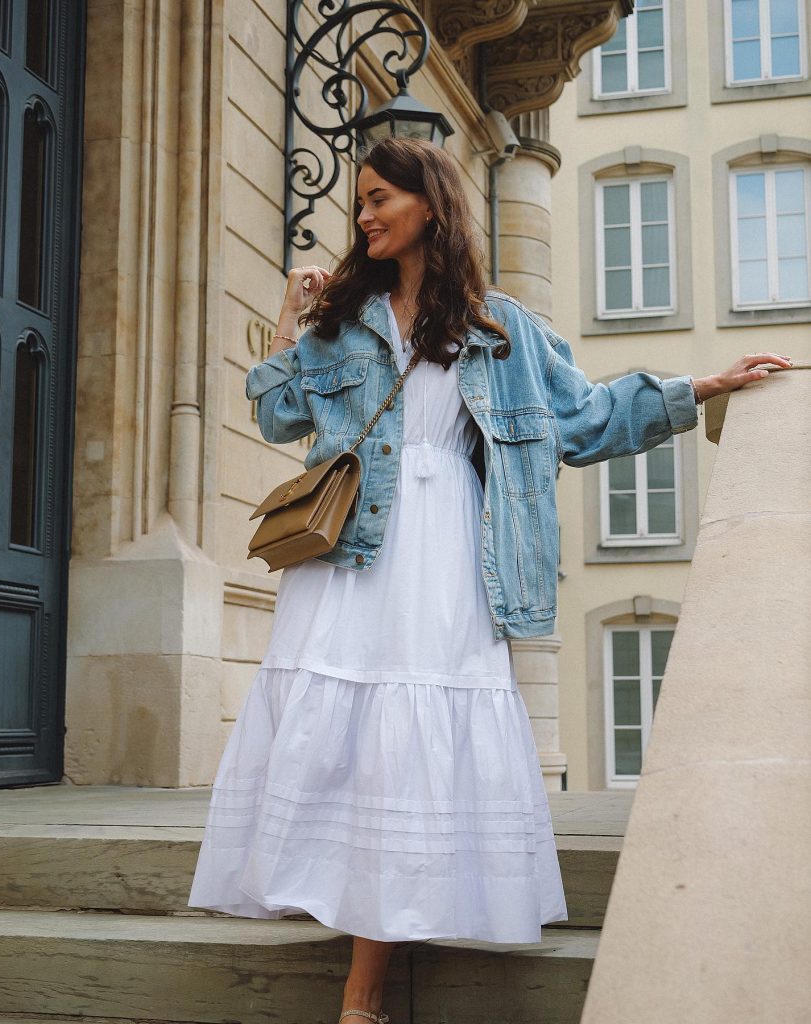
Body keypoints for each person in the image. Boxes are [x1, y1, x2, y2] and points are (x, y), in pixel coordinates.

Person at [188, 137, 791, 1024]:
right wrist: (290, 313)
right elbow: (277, 413)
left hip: (445, 554)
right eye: (359, 200)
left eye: (379, 198)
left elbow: (583, 419)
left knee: (408, 742)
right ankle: (344, 920)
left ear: (429, 204)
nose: (362, 214)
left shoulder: (500, 327)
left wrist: (699, 387)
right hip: (349, 553)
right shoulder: (344, 320)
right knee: (346, 737)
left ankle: (364, 990)